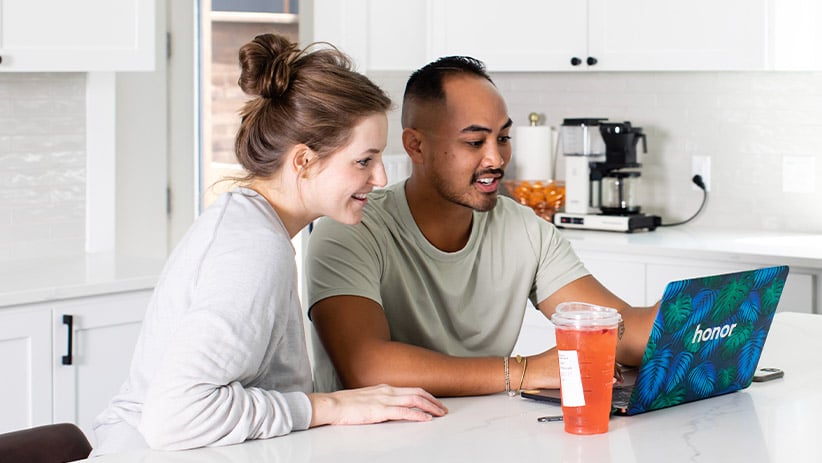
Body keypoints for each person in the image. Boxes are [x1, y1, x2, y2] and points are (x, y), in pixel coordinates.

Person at [91, 34, 446, 456]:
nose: (381, 178)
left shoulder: (250, 224)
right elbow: (175, 416)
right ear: (303, 161)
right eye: (364, 161)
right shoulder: (255, 251)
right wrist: (328, 406)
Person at [305, 55, 659, 396]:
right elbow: (366, 366)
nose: (496, 159)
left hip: (484, 434)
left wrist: (695, 315)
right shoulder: (349, 230)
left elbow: (618, 329)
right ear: (416, 146)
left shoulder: (524, 229)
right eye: (475, 142)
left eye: (502, 138)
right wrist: (526, 370)